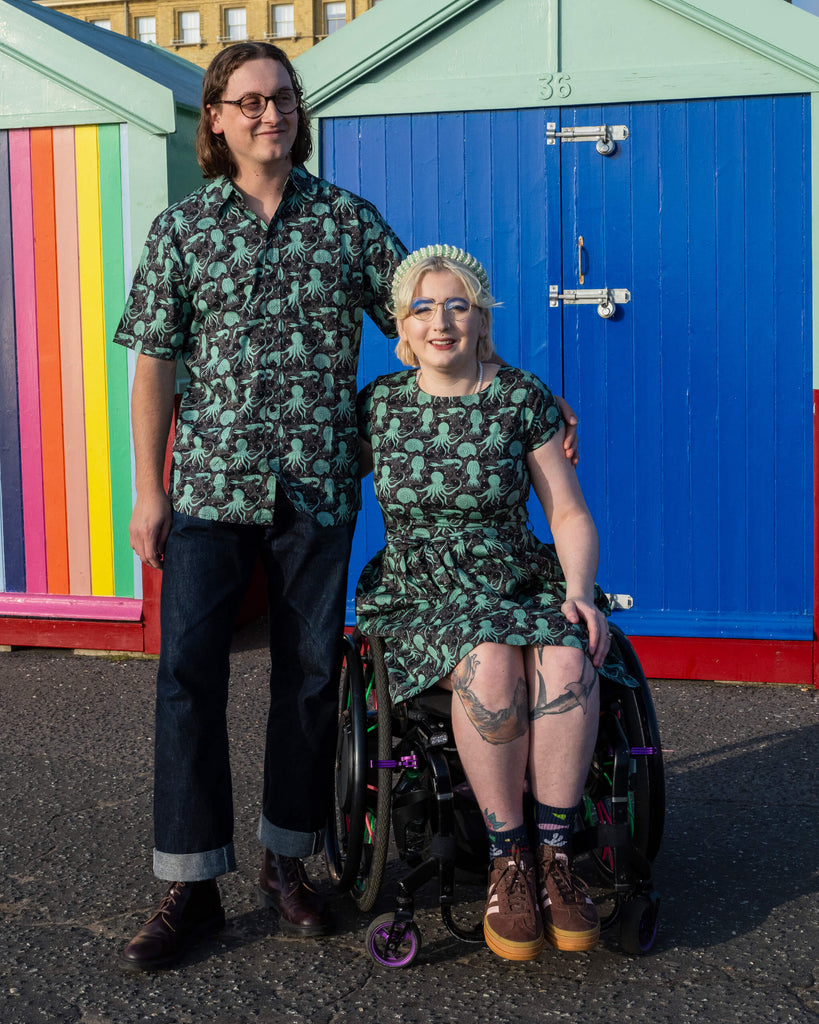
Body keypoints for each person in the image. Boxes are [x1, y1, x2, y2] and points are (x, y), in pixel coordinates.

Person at [114, 42, 579, 971]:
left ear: (297, 112)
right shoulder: (182, 231)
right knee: (188, 679)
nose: (267, 116)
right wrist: (147, 488)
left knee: (311, 681)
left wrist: (528, 394)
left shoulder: (348, 223)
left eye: (281, 100)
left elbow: (430, 315)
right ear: (214, 119)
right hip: (209, 485)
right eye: (246, 102)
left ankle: (288, 865)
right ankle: (190, 884)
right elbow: (154, 361)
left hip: (318, 487)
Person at [355, 244, 633, 962]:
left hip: (515, 577)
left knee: (569, 659)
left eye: (458, 305)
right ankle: (507, 862)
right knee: (486, 662)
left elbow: (567, 513)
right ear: (402, 328)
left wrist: (578, 595)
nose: (440, 321)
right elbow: (310, 476)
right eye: (423, 308)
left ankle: (555, 857)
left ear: (481, 320)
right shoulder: (378, 406)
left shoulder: (519, 397)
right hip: (420, 589)